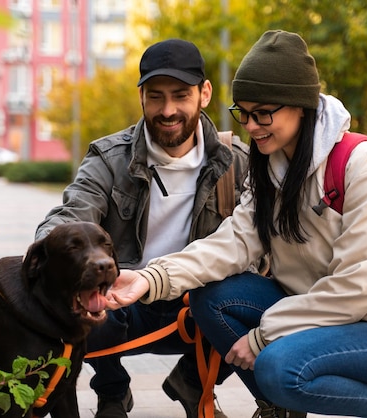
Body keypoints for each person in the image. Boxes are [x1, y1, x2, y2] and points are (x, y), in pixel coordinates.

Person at [105, 30, 367, 418]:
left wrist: (263, 335)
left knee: (278, 367)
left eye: (263, 113)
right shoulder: (270, 167)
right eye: (244, 112)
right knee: (213, 296)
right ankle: (280, 407)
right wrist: (151, 278)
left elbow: (356, 288)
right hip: (329, 321)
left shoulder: (360, 166)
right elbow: (233, 242)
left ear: (300, 105)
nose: (251, 126)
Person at [35, 39, 249, 418]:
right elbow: (73, 214)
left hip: (197, 304)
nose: (168, 111)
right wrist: (45, 251)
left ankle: (193, 381)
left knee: (261, 301)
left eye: (180, 96)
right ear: (142, 97)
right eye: (156, 97)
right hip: (122, 301)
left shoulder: (239, 163)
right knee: (74, 299)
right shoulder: (109, 158)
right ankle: (112, 390)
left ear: (204, 94)